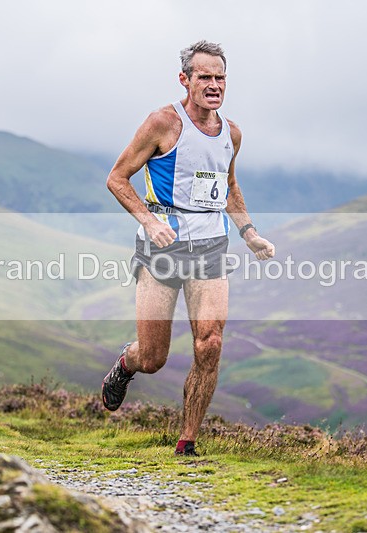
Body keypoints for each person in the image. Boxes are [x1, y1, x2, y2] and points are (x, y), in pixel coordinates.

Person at [102, 40, 275, 456]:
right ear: (185, 79)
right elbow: (117, 178)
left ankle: (187, 442)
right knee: (153, 358)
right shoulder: (162, 123)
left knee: (209, 343)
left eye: (220, 77)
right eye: (205, 77)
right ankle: (126, 363)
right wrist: (149, 222)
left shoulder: (232, 133)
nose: (214, 85)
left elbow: (228, 187)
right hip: (161, 250)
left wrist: (249, 233)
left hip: (211, 247)